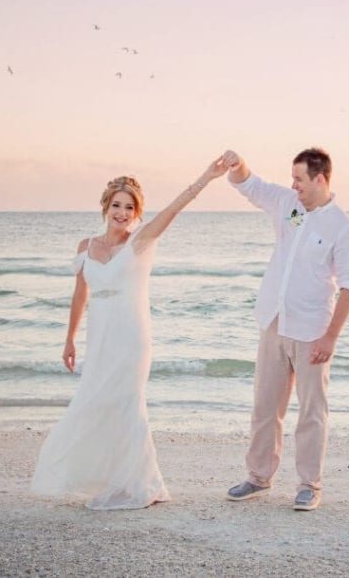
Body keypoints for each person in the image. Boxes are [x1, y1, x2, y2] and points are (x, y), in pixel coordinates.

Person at [32, 157, 228, 510]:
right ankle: (125, 479)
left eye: (129, 207)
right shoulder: (85, 247)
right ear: (105, 207)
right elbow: (81, 294)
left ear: (137, 212)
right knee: (95, 402)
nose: (122, 213)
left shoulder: (140, 242)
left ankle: (140, 485)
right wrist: (69, 339)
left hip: (132, 336)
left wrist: (207, 177)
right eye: (116, 206)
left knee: (127, 404)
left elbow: (174, 209)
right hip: (100, 336)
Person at [222, 147, 349, 511]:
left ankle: (309, 485)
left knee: (312, 411)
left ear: (320, 178)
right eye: (292, 178)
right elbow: (250, 185)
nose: (293, 184)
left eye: (299, 178)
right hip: (274, 321)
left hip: (312, 331)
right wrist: (238, 165)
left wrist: (330, 336)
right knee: (265, 406)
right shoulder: (288, 204)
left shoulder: (341, 226)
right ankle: (258, 477)